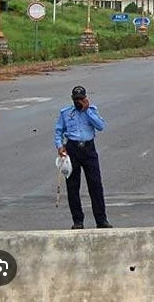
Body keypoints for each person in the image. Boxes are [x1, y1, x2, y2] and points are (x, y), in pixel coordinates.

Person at [53, 85, 112, 229]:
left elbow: (101, 126)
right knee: (73, 187)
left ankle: (101, 219)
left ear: (86, 98)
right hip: (72, 148)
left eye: (81, 99)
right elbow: (58, 131)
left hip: (88, 148)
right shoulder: (66, 113)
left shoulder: (92, 110)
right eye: (76, 99)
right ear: (72, 99)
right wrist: (60, 146)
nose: (79, 102)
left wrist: (88, 111)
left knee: (95, 185)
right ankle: (78, 221)